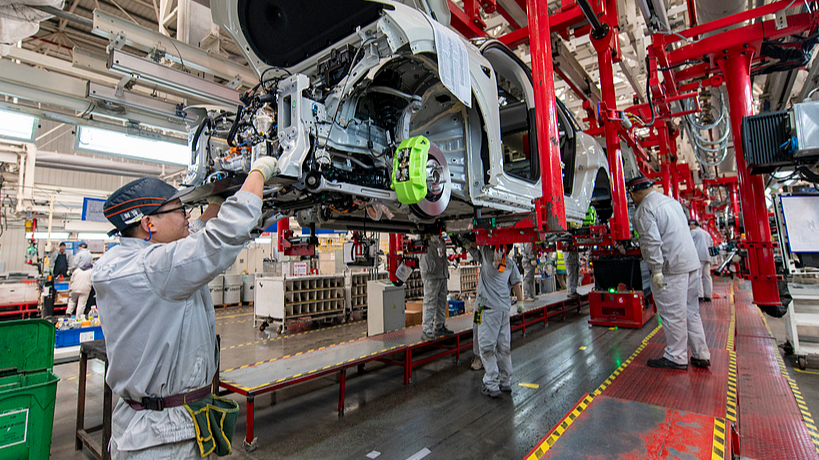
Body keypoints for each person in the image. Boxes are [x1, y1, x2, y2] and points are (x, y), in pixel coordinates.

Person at [92, 156, 277, 459]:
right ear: (148, 224)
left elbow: (198, 232)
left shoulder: (132, 259)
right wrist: (258, 172)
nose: (187, 217)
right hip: (160, 440)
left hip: (160, 426)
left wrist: (218, 198)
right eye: (180, 210)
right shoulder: (152, 269)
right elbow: (219, 239)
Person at [627, 175, 710, 370]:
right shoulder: (671, 202)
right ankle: (701, 353)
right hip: (691, 264)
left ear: (633, 193)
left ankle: (676, 356)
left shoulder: (644, 210)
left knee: (673, 314)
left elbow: (651, 243)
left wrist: (656, 270)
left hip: (671, 269)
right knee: (691, 311)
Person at [467, 242, 523, 397]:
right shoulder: (509, 263)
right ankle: (505, 381)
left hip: (488, 312)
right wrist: (521, 303)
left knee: (486, 347)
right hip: (504, 311)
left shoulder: (487, 254)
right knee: (503, 347)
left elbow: (479, 243)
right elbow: (517, 283)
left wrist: (466, 241)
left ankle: (491, 384)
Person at [420, 233, 452, 340]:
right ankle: (426, 330)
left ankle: (439, 326)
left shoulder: (440, 238)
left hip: (442, 273)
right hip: (431, 274)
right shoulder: (424, 237)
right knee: (430, 302)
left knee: (441, 301)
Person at [689, 220, 714, 302]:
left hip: (698, 256)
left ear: (693, 225)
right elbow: (711, 244)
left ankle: (700, 295)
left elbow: (689, 243)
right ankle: (708, 295)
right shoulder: (706, 233)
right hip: (707, 257)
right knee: (707, 276)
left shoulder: (693, 232)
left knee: (698, 275)